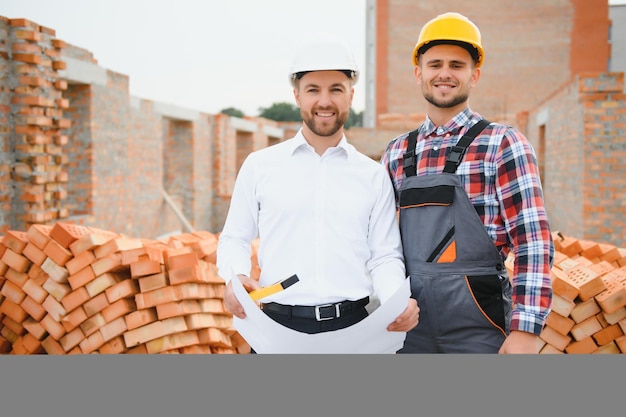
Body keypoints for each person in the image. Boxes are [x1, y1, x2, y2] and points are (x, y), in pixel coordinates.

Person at [216, 35, 419, 350]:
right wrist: (235, 277)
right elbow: (234, 239)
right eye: (313, 90)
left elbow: (384, 256)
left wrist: (397, 300)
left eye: (336, 89)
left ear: (351, 96)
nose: (325, 101)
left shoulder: (372, 176)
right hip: (276, 332)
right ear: (297, 95)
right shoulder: (260, 166)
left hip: (355, 330)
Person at [380, 12, 554, 354]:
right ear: (419, 73)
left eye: (457, 65)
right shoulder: (397, 153)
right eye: (435, 64)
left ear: (475, 75)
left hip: (481, 330)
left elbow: (532, 241)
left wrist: (526, 330)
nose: (445, 73)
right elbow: (378, 243)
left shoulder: (503, 143)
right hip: (407, 328)